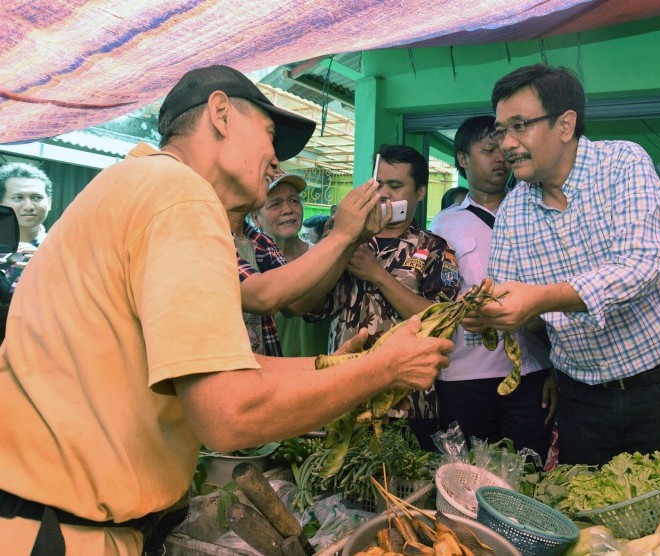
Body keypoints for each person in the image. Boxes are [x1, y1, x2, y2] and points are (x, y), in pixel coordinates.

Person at [0, 65, 452, 555]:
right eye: (270, 134)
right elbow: (227, 412)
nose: (275, 158)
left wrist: (338, 366)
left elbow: (219, 373)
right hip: (63, 535)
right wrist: (382, 368)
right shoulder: (179, 195)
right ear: (220, 114)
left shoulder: (137, 184)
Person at [468, 64, 660, 466]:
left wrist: (539, 298)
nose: (507, 143)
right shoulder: (513, 212)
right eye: (501, 130)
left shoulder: (623, 164)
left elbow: (640, 265)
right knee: (586, 515)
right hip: (581, 397)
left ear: (565, 124)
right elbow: (514, 302)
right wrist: (490, 314)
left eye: (520, 126)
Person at [305, 144, 461, 449]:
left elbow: (441, 324)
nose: (384, 194)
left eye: (396, 185)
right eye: (379, 185)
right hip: (344, 393)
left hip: (408, 403)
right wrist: (336, 245)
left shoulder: (435, 249)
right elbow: (311, 310)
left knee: (404, 490)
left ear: (420, 192)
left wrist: (377, 273)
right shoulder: (347, 241)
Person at [429, 116, 554, 459]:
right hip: (467, 377)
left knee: (529, 472)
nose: (500, 157)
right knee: (471, 476)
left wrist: (556, 369)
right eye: (488, 150)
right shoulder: (444, 225)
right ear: (463, 160)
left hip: (531, 371)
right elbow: (440, 302)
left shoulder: (537, 211)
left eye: (503, 148)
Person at [251, 171, 331, 357]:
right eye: (275, 204)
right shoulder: (249, 269)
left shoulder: (323, 257)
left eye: (294, 201)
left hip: (322, 373)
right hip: (274, 376)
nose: (288, 209)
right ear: (256, 217)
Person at [0, 162, 52, 290]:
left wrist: (54, 267)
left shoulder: (63, 251)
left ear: (49, 202)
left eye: (36, 197)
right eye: (18, 198)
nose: (29, 206)